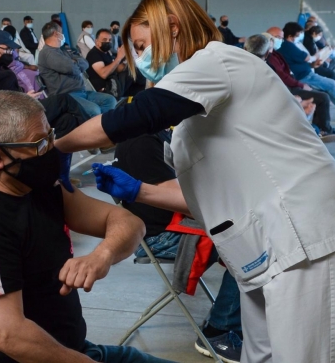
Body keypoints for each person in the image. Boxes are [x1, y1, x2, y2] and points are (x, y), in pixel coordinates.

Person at [54, 0, 335, 363]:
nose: (139, 59)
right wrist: (141, 190)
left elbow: (134, 116)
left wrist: (58, 147)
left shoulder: (216, 62)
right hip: (264, 255)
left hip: (308, 239)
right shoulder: (193, 110)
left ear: (172, 27)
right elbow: (206, 193)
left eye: (141, 45)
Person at [0, 90, 171, 363]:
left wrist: (102, 255)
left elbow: (129, 223)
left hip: (74, 350)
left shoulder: (41, 187)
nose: (51, 150)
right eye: (40, 145)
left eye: (50, 136)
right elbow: (9, 335)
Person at [99, 130, 243, 363]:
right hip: (164, 235)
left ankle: (229, 316)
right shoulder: (142, 141)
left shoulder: (158, 135)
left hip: (174, 225)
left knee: (250, 231)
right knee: (251, 246)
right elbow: (187, 203)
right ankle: (220, 330)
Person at [0, 30, 89, 138]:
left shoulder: (0, 67)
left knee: (68, 121)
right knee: (65, 100)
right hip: (13, 118)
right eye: (7, 49)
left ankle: (50, 156)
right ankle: (92, 132)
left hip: (22, 108)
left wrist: (25, 97)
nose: (10, 53)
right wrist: (23, 99)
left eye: (11, 50)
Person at [248, 31, 335, 142]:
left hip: (291, 85)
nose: (278, 41)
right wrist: (296, 97)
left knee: (323, 93)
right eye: (277, 38)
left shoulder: (275, 55)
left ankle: (319, 130)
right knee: (322, 95)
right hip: (287, 89)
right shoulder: (266, 63)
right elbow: (279, 82)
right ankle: (319, 130)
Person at [276, 22, 335, 119]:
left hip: (306, 73)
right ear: (291, 35)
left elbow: (298, 61)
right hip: (304, 76)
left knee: (328, 89)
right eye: (298, 35)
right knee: (331, 84)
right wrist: (319, 54)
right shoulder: (288, 46)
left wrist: (312, 64)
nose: (300, 37)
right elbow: (306, 57)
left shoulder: (291, 45)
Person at [38, 21, 117, 118]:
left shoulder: (62, 50)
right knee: (94, 110)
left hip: (81, 92)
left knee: (110, 100)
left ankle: (102, 125)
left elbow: (84, 62)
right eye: (61, 32)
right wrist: (74, 62)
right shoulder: (48, 54)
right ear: (56, 34)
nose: (63, 35)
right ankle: (96, 128)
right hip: (66, 96)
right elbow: (73, 68)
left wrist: (74, 62)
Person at [86, 28, 144, 99]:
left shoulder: (106, 53)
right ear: (96, 41)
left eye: (110, 40)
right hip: (107, 89)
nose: (108, 42)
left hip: (115, 83)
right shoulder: (94, 54)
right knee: (132, 72)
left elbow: (116, 69)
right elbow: (103, 74)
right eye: (104, 40)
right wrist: (118, 58)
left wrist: (128, 61)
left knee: (134, 73)